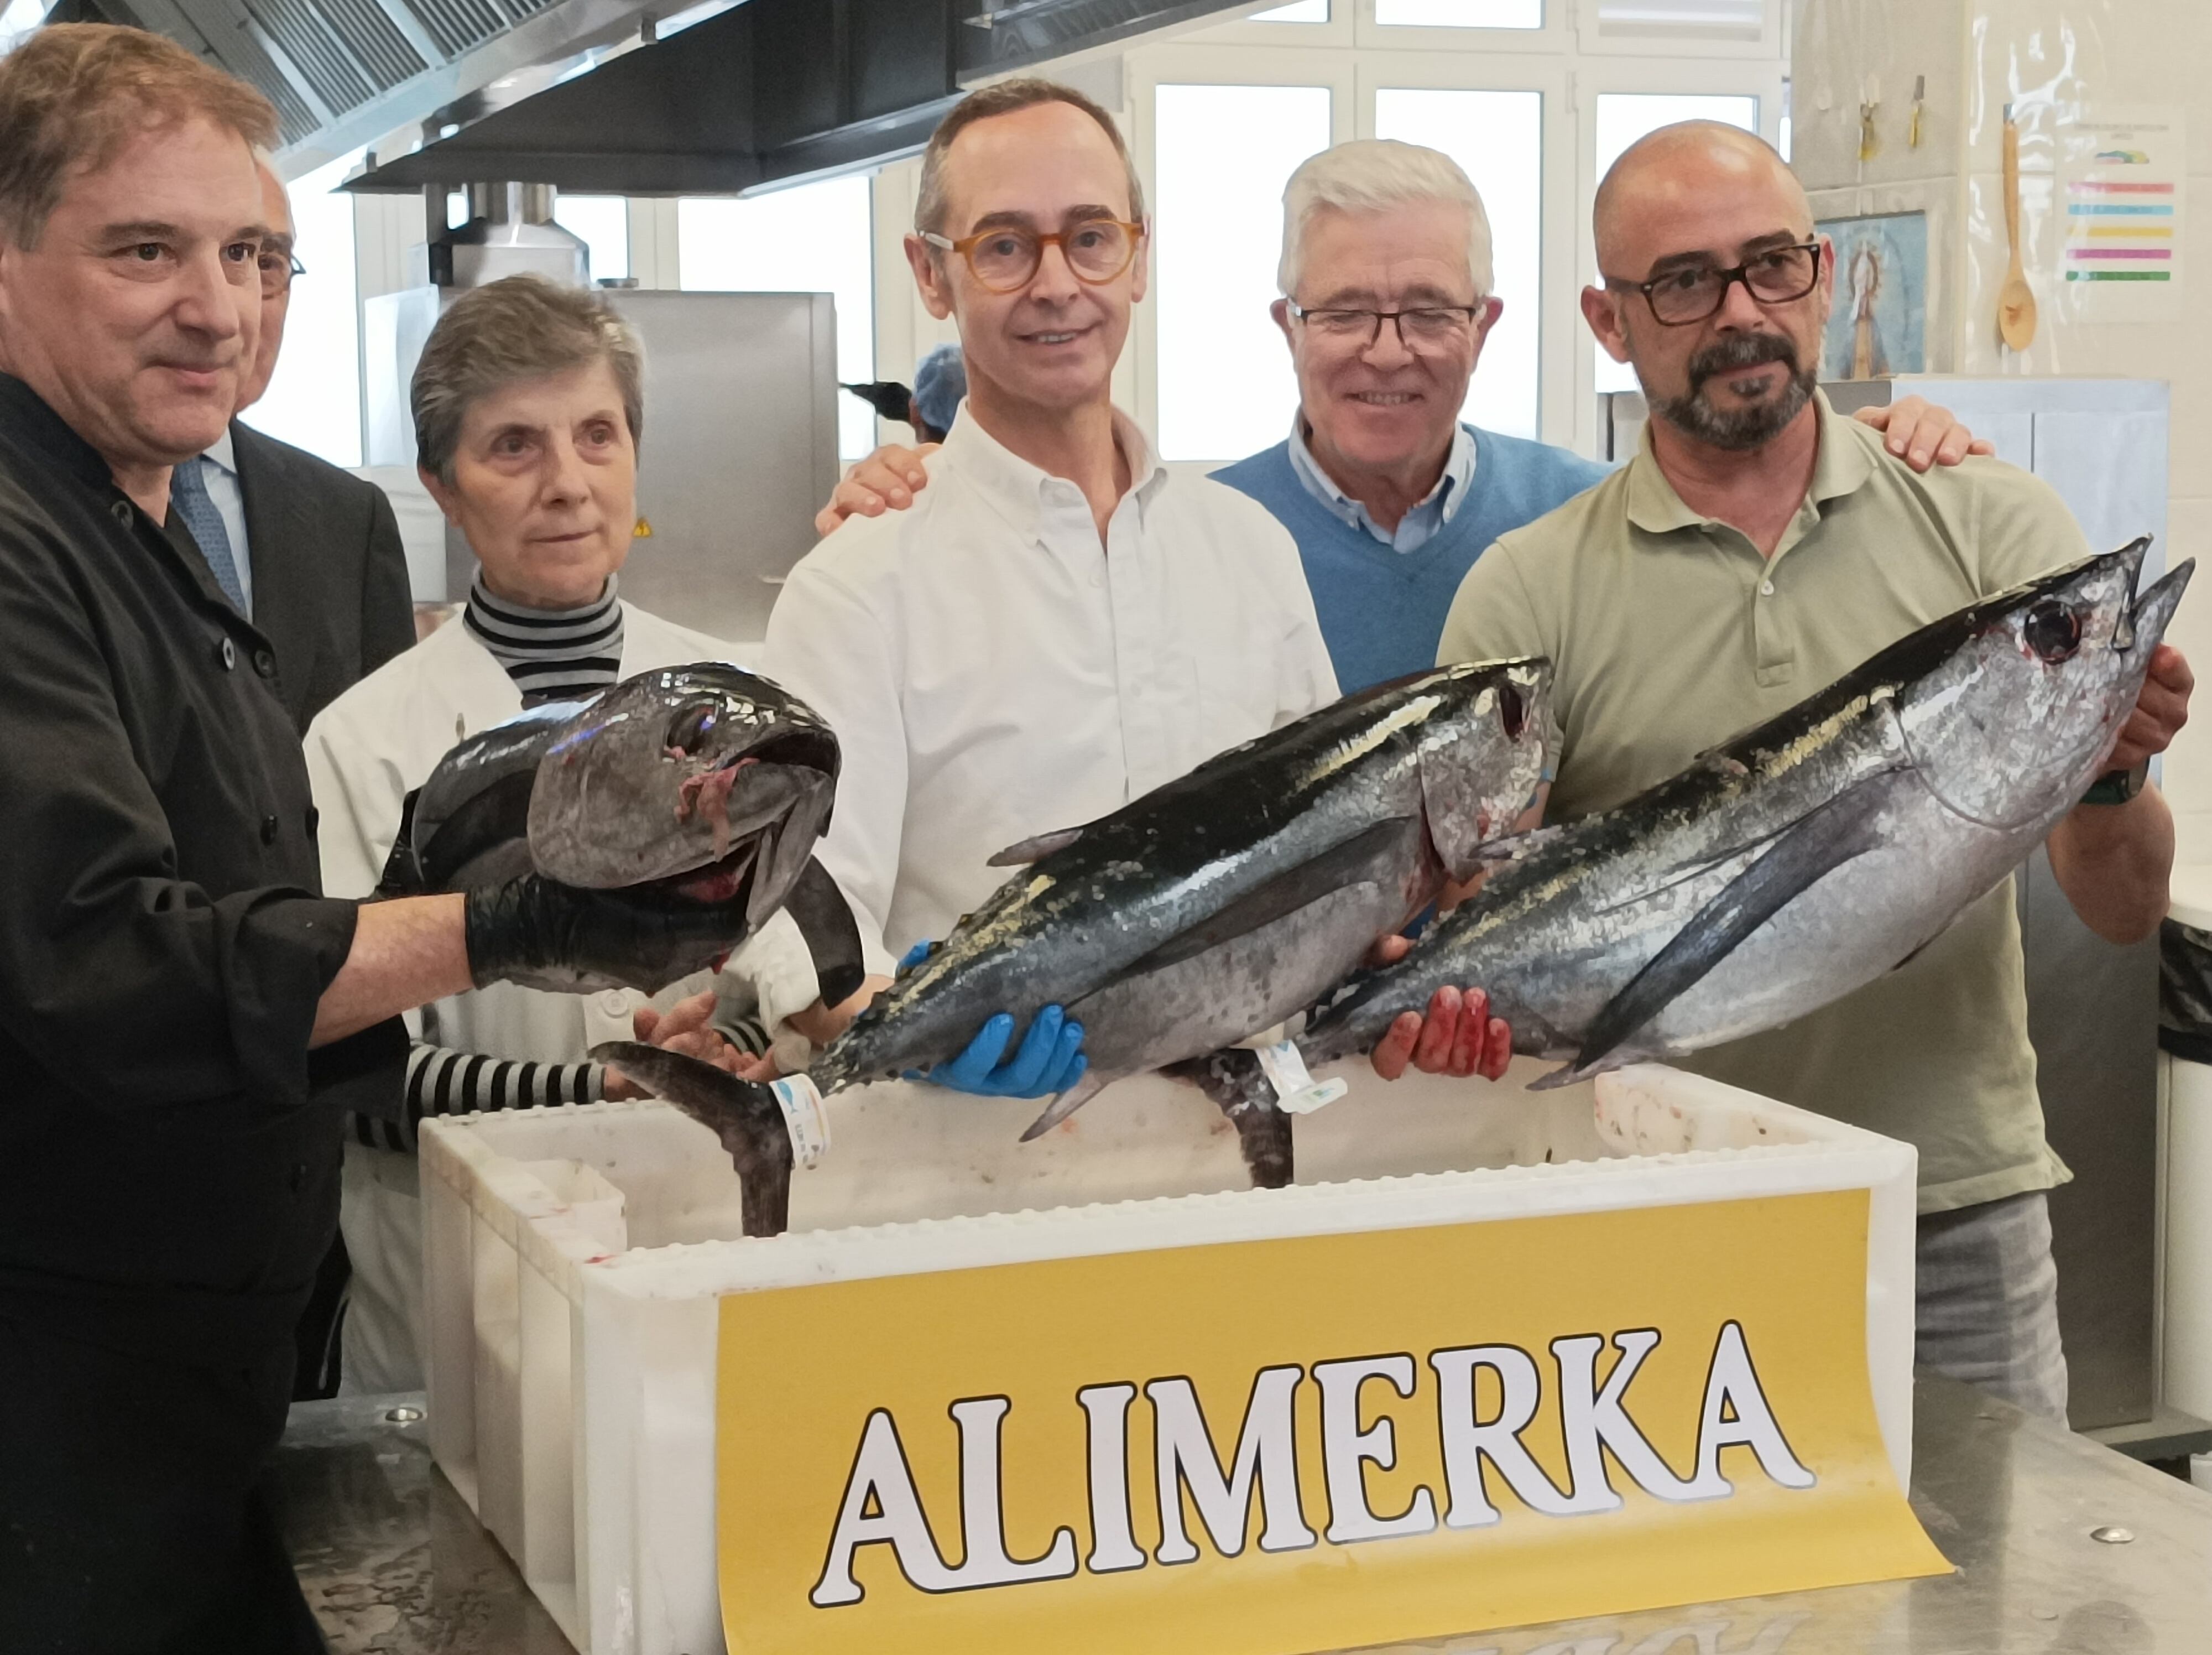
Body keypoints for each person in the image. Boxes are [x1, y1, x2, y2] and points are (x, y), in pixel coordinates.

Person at [0, 29, 768, 1648]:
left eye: (254, 254)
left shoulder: (139, 530)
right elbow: (116, 960)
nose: (218, 304)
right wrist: (507, 927)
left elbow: (280, 969)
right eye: (147, 248)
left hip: (204, 1382)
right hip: (61, 1403)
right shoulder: (21, 549)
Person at [1431, 121, 2194, 1420]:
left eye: (1770, 265)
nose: (1739, 313)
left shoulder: (1993, 526)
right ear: (1606, 322)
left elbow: (2118, 913)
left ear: (1824, 278)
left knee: (1987, 1612)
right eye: (1681, 281)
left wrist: (2111, 775)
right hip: (1646, 1206)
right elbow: (1458, 914)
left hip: (1949, 1207)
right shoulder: (1530, 587)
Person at [674, 77, 1354, 1089]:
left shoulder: (1250, 551)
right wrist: (910, 1028)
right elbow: (796, 902)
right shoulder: (862, 583)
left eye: (1090, 237)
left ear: (1139, 257)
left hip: (1233, 1157)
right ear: (932, 273)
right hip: (972, 1180)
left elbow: (1326, 850)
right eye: (1003, 246)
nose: (1056, 284)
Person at [815, 139, 1986, 695]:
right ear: (1285, 324)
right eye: (1344, 313)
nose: (1387, 352)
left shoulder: (1592, 520)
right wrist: (915, 491)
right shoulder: (1207, 549)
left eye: (1427, 309)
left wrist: (1880, 440)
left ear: (1485, 326)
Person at [305, 274, 748, 1392]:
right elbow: (349, 1075)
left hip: (691, 1278)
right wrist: (589, 1094)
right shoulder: (367, 741)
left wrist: (728, 1034)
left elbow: (787, 981)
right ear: (442, 490)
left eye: (596, 435)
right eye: (513, 446)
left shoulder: (732, 697)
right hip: (451, 1313)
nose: (567, 484)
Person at [187, 154, 414, 735]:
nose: (237, 312)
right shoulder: (41, 503)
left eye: (265, 261)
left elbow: (390, 770)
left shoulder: (347, 517)